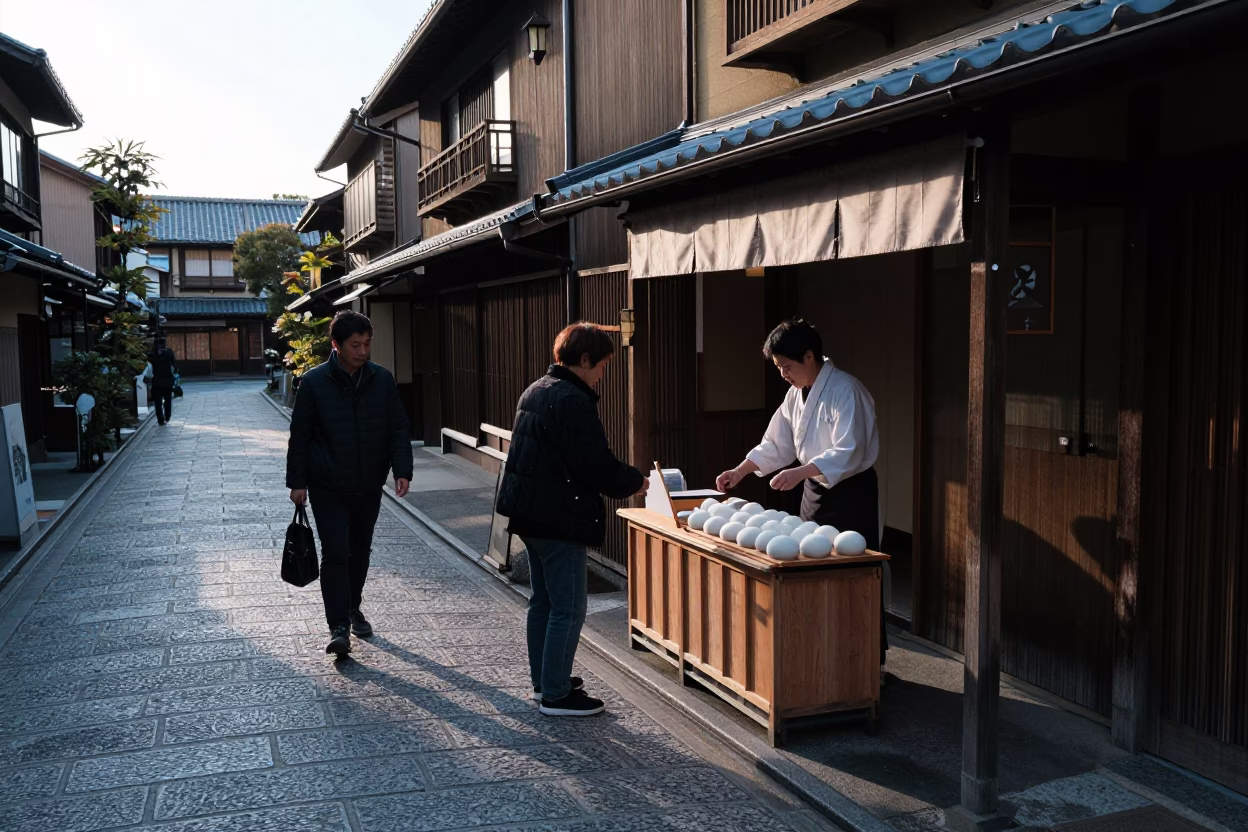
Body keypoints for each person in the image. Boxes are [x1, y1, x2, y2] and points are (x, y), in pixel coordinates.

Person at [497, 323, 648, 717]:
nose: (603, 374)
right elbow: (594, 464)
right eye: (602, 365)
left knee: (543, 601)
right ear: (584, 360)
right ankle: (557, 694)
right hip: (558, 516)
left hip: (529, 513)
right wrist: (635, 481)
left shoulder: (537, 388)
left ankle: (544, 681)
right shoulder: (572, 400)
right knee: (568, 607)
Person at [715, 318, 887, 664]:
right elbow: (776, 443)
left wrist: (801, 472)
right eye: (779, 367)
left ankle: (865, 661)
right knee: (809, 569)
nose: (784, 374)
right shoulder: (795, 395)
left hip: (851, 495)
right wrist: (741, 470)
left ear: (810, 357)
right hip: (813, 491)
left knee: (853, 575)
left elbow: (849, 450)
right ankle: (819, 653)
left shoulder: (846, 390)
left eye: (787, 366)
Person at [285, 310, 413, 657]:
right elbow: (300, 437)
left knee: (360, 552)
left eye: (367, 344)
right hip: (327, 485)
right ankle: (338, 624)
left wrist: (402, 469)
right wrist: (297, 482)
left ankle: (353, 604)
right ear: (336, 345)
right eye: (355, 345)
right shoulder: (313, 383)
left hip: (369, 483)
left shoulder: (381, 380)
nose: (362, 351)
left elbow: (398, 427)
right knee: (337, 553)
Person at [147, 338, 177, 426]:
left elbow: (149, 364)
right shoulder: (170, 353)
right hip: (168, 381)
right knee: (168, 400)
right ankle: (167, 416)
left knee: (158, 402)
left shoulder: (153, 355)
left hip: (157, 382)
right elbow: (175, 365)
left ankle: (160, 419)